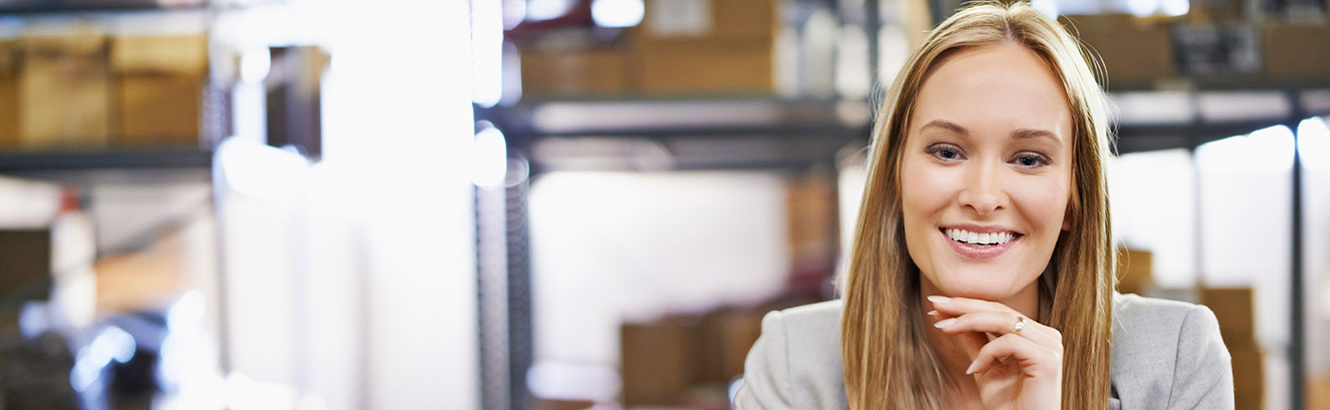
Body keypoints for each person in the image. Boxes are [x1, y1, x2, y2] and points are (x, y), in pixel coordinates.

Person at [734, 1, 1234, 409]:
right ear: (894, 179)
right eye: (947, 151)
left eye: (1030, 159)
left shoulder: (1176, 358)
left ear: (1073, 202)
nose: (983, 197)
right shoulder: (794, 362)